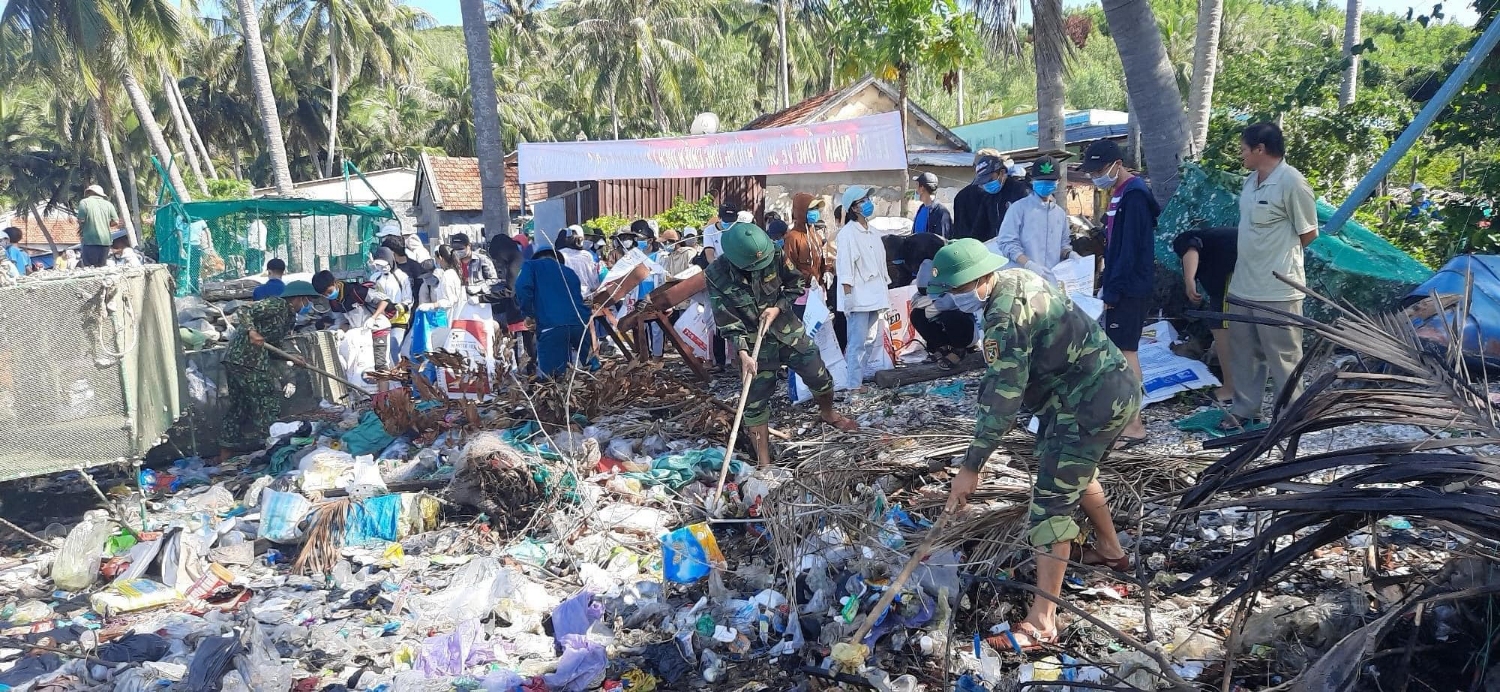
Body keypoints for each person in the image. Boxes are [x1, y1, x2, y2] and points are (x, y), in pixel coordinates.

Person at [933, 238, 1139, 651]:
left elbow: (1003, 399)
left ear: (977, 280)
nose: (953, 300)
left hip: (1087, 405)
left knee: (1050, 504)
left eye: (956, 290)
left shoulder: (1004, 316)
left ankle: (1043, 623)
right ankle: (1111, 551)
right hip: (1098, 392)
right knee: (1073, 471)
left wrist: (971, 466)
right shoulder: (1014, 280)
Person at [706, 222, 858, 467]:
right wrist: (743, 353)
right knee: (754, 404)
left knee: (819, 376)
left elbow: (796, 284)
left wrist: (778, 308)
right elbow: (726, 319)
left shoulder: (774, 254)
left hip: (788, 332)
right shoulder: (716, 275)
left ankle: (828, 413)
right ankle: (765, 464)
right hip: (754, 344)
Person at [1221, 122, 1319, 431]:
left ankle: (1290, 416)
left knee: (1284, 357)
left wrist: (1277, 257)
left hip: (1278, 289)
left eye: (1244, 149)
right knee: (1244, 355)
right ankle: (1246, 409)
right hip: (1243, 285)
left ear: (1260, 149)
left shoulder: (1293, 183)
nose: (1241, 155)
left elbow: (1309, 233)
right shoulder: (1251, 181)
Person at [1079, 139, 1158, 446]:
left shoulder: (1135, 196)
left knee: (1125, 354)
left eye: (1100, 169)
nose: (1096, 176)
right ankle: (1123, 416)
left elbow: (1129, 251)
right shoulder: (1119, 193)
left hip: (1128, 288)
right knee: (1119, 354)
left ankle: (1134, 424)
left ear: (1117, 165)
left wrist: (1112, 290)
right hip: (1120, 283)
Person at [218, 280, 321, 463]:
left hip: (244, 361)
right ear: (297, 298)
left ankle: (225, 455)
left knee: (239, 408)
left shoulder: (289, 318)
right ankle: (273, 450)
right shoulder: (276, 304)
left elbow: (275, 347)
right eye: (307, 301)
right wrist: (252, 332)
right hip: (245, 360)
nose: (308, 305)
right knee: (267, 405)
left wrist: (292, 358)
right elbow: (245, 311)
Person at [1173, 227, 1238, 404]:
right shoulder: (1213, 238)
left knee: (1222, 326)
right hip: (1231, 273)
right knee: (1218, 325)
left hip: (1232, 271)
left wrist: (1189, 281)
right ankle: (1233, 383)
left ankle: (1231, 388)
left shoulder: (1184, 238)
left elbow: (1191, 247)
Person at [835, 185, 890, 392]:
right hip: (858, 297)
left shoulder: (873, 232)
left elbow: (881, 265)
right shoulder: (848, 234)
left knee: (869, 341)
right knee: (857, 343)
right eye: (863, 201)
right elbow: (846, 268)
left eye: (868, 199)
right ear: (854, 208)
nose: (868, 203)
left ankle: (858, 378)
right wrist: (848, 296)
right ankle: (853, 384)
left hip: (875, 294)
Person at [994, 155, 1074, 283]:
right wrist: (1029, 265)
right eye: (1041, 180)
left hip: (1051, 281)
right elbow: (1007, 243)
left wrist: (1070, 255)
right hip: (1023, 281)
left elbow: (1063, 245)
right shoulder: (1018, 209)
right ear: (1032, 180)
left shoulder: (1059, 214)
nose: (1045, 184)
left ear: (1058, 180)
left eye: (1050, 181)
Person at [516, 248, 592, 378]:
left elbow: (522, 288)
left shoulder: (531, 266)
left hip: (550, 326)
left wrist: (529, 314)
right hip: (579, 325)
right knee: (590, 368)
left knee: (552, 379)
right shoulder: (569, 272)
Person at [312, 269, 392, 380]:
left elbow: (385, 300)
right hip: (361, 336)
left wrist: (373, 318)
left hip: (378, 328)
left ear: (335, 282)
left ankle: (386, 395)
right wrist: (340, 330)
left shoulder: (355, 291)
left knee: (380, 366)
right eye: (324, 294)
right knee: (362, 369)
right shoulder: (334, 302)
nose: (328, 295)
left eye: (329, 292)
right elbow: (343, 321)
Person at [951, 151, 1029, 243]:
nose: (987, 184)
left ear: (1002, 172)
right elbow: (979, 229)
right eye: (984, 182)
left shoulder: (1021, 191)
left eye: (990, 179)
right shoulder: (988, 197)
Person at [369, 248, 413, 366]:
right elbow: (371, 297)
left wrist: (399, 308)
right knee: (382, 351)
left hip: (399, 319)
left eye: (384, 264)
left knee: (394, 349)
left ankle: (401, 377)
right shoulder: (374, 278)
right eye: (378, 265)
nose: (382, 267)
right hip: (382, 319)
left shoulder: (402, 277)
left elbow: (409, 299)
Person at [76, 184, 120, 268]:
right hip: (106, 241)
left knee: (89, 268)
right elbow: (116, 221)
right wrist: (105, 224)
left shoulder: (84, 202)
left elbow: (81, 220)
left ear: (89, 192)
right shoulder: (108, 204)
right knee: (101, 267)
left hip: (90, 240)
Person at [558, 226, 604, 297]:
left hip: (565, 297)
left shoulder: (559, 254)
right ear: (582, 238)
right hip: (584, 297)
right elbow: (594, 283)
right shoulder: (586, 255)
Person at [911, 172, 953, 238]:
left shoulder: (941, 212)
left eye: (917, 185)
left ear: (922, 188)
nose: (916, 190)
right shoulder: (921, 208)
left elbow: (942, 241)